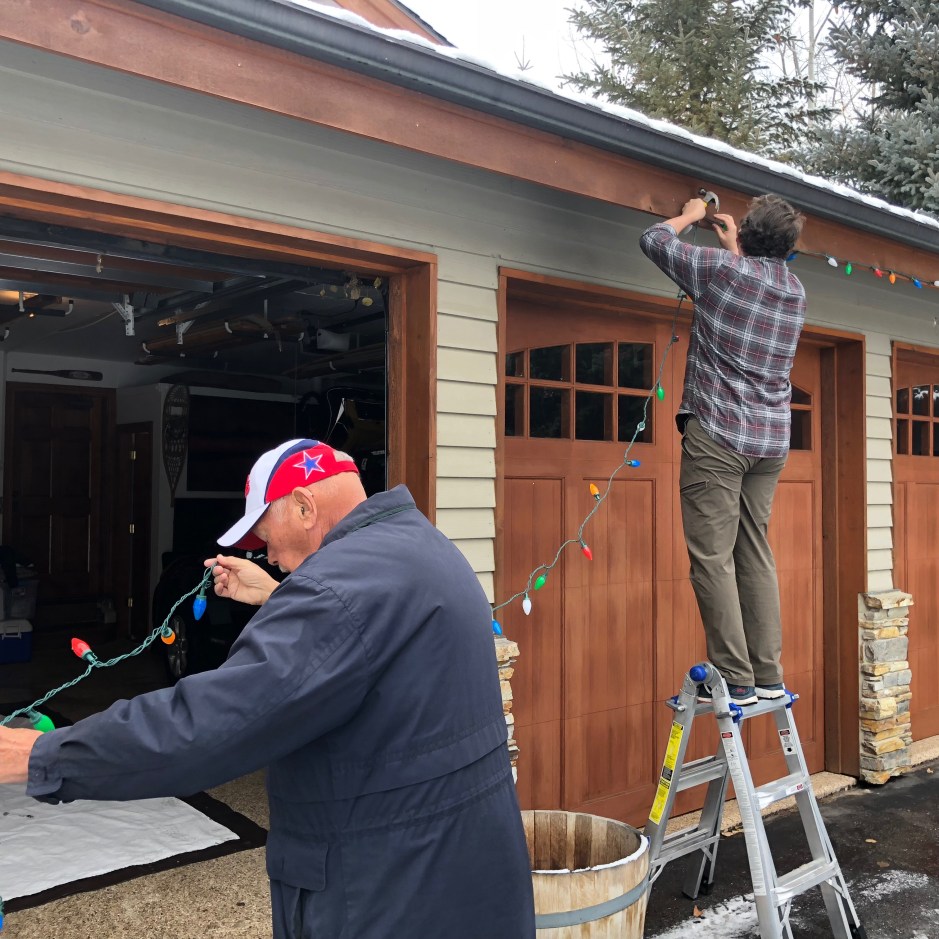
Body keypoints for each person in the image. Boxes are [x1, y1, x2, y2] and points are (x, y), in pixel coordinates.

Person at [0, 439, 536, 938]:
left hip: (385, 895)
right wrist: (283, 595)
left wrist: (43, 754)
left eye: (264, 535)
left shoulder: (335, 594)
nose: (267, 554)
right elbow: (366, 641)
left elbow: (208, 726)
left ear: (304, 507)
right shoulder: (420, 543)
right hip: (465, 880)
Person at [639, 194, 806, 706]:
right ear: (788, 246)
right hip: (770, 442)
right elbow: (751, 279)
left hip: (719, 435)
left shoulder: (719, 272)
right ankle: (767, 674)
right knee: (754, 551)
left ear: (748, 235)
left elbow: (653, 239)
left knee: (712, 558)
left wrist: (692, 215)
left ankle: (736, 678)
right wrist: (738, 246)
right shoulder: (794, 290)